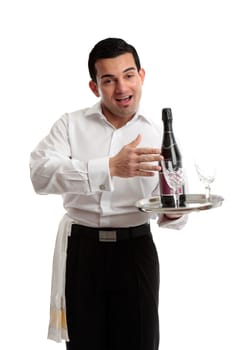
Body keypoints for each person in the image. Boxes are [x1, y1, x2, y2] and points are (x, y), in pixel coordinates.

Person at [30, 37, 187, 350]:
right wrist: (108, 167)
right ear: (94, 87)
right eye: (109, 80)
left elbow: (170, 210)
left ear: (141, 76)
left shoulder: (158, 134)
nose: (122, 88)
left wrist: (175, 211)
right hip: (81, 252)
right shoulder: (70, 125)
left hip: (136, 252)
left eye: (128, 76)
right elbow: (40, 175)